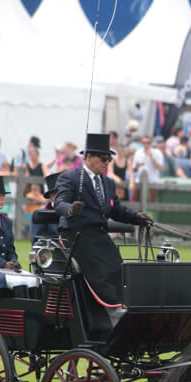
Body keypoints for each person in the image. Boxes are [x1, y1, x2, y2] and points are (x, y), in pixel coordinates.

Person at [54, 133, 152, 312]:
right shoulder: (70, 178)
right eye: (103, 159)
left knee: (118, 268)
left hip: (99, 235)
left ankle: (123, 305)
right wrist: (71, 209)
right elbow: (59, 203)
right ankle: (113, 310)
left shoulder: (108, 183)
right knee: (100, 271)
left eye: (109, 159)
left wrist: (136, 216)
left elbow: (116, 209)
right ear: (89, 157)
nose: (107, 163)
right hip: (77, 236)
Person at [31, 172, 62, 241]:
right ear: (52, 196)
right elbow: (36, 240)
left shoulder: (73, 212)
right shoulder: (41, 215)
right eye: (60, 193)